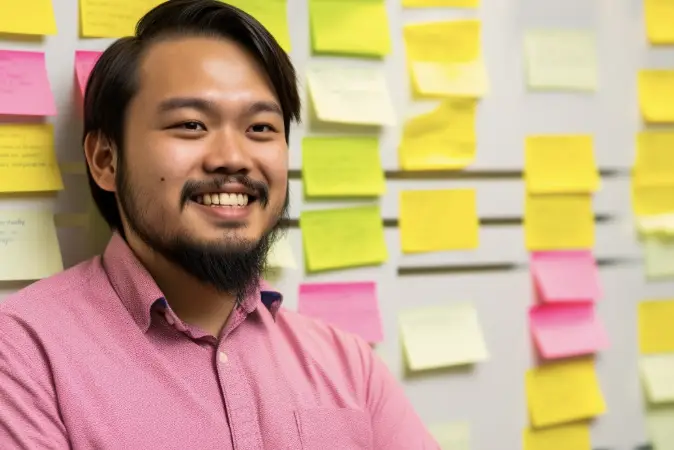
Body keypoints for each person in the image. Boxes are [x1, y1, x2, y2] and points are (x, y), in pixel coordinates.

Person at [0, 1, 440, 448]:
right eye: (191, 125)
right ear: (105, 160)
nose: (232, 158)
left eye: (261, 128)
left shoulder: (347, 365)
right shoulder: (24, 355)